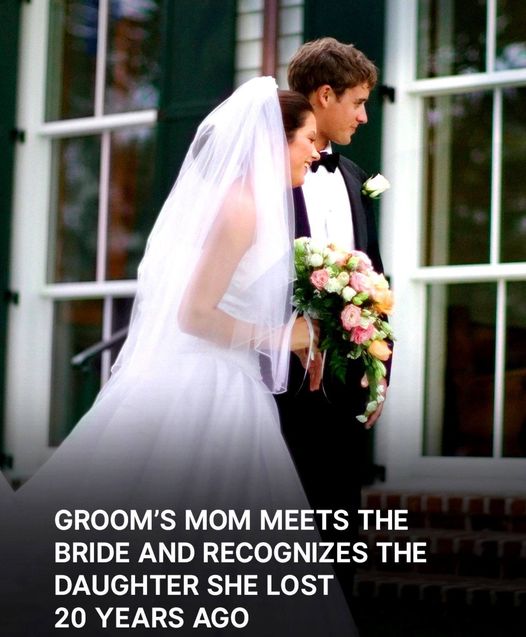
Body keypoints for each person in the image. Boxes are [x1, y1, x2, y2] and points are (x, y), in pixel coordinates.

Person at [7, 77, 359, 637]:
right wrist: (283, 336)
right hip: (207, 390)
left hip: (232, 385)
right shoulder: (242, 208)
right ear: (274, 140)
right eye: (309, 139)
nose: (318, 152)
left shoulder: (262, 208)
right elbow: (194, 315)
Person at [276, 38, 391, 604]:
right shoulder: (266, 175)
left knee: (340, 525)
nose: (364, 116)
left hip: (345, 382)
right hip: (277, 378)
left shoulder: (351, 175)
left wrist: (377, 368)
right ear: (325, 95)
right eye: (358, 102)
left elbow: (375, 277)